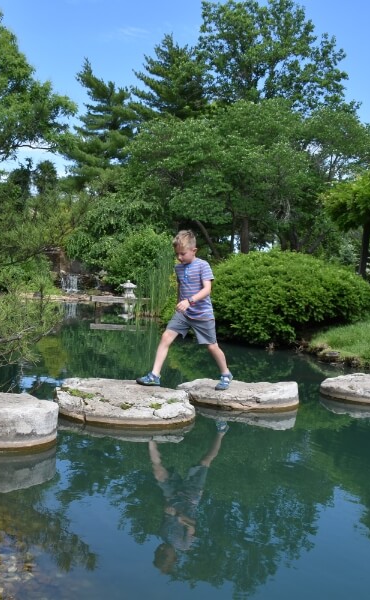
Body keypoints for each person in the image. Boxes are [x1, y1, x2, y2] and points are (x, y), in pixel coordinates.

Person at [136, 230, 233, 390]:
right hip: (183, 314)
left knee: (212, 346)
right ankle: (154, 375)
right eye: (177, 254)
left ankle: (225, 374)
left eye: (183, 254)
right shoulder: (179, 268)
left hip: (202, 315)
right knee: (166, 337)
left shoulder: (203, 265)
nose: (179, 257)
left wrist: (189, 301)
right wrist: (179, 304)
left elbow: (207, 289)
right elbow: (181, 287)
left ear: (194, 250)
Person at [150, 421, 229, 573]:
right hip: (190, 497)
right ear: (173, 557)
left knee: (158, 472)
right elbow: (193, 525)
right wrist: (180, 517)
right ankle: (222, 431)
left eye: (158, 552)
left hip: (172, 496)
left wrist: (167, 507)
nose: (161, 550)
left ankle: (151, 438)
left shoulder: (163, 534)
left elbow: (166, 513)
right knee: (205, 461)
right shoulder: (184, 545)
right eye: (163, 555)